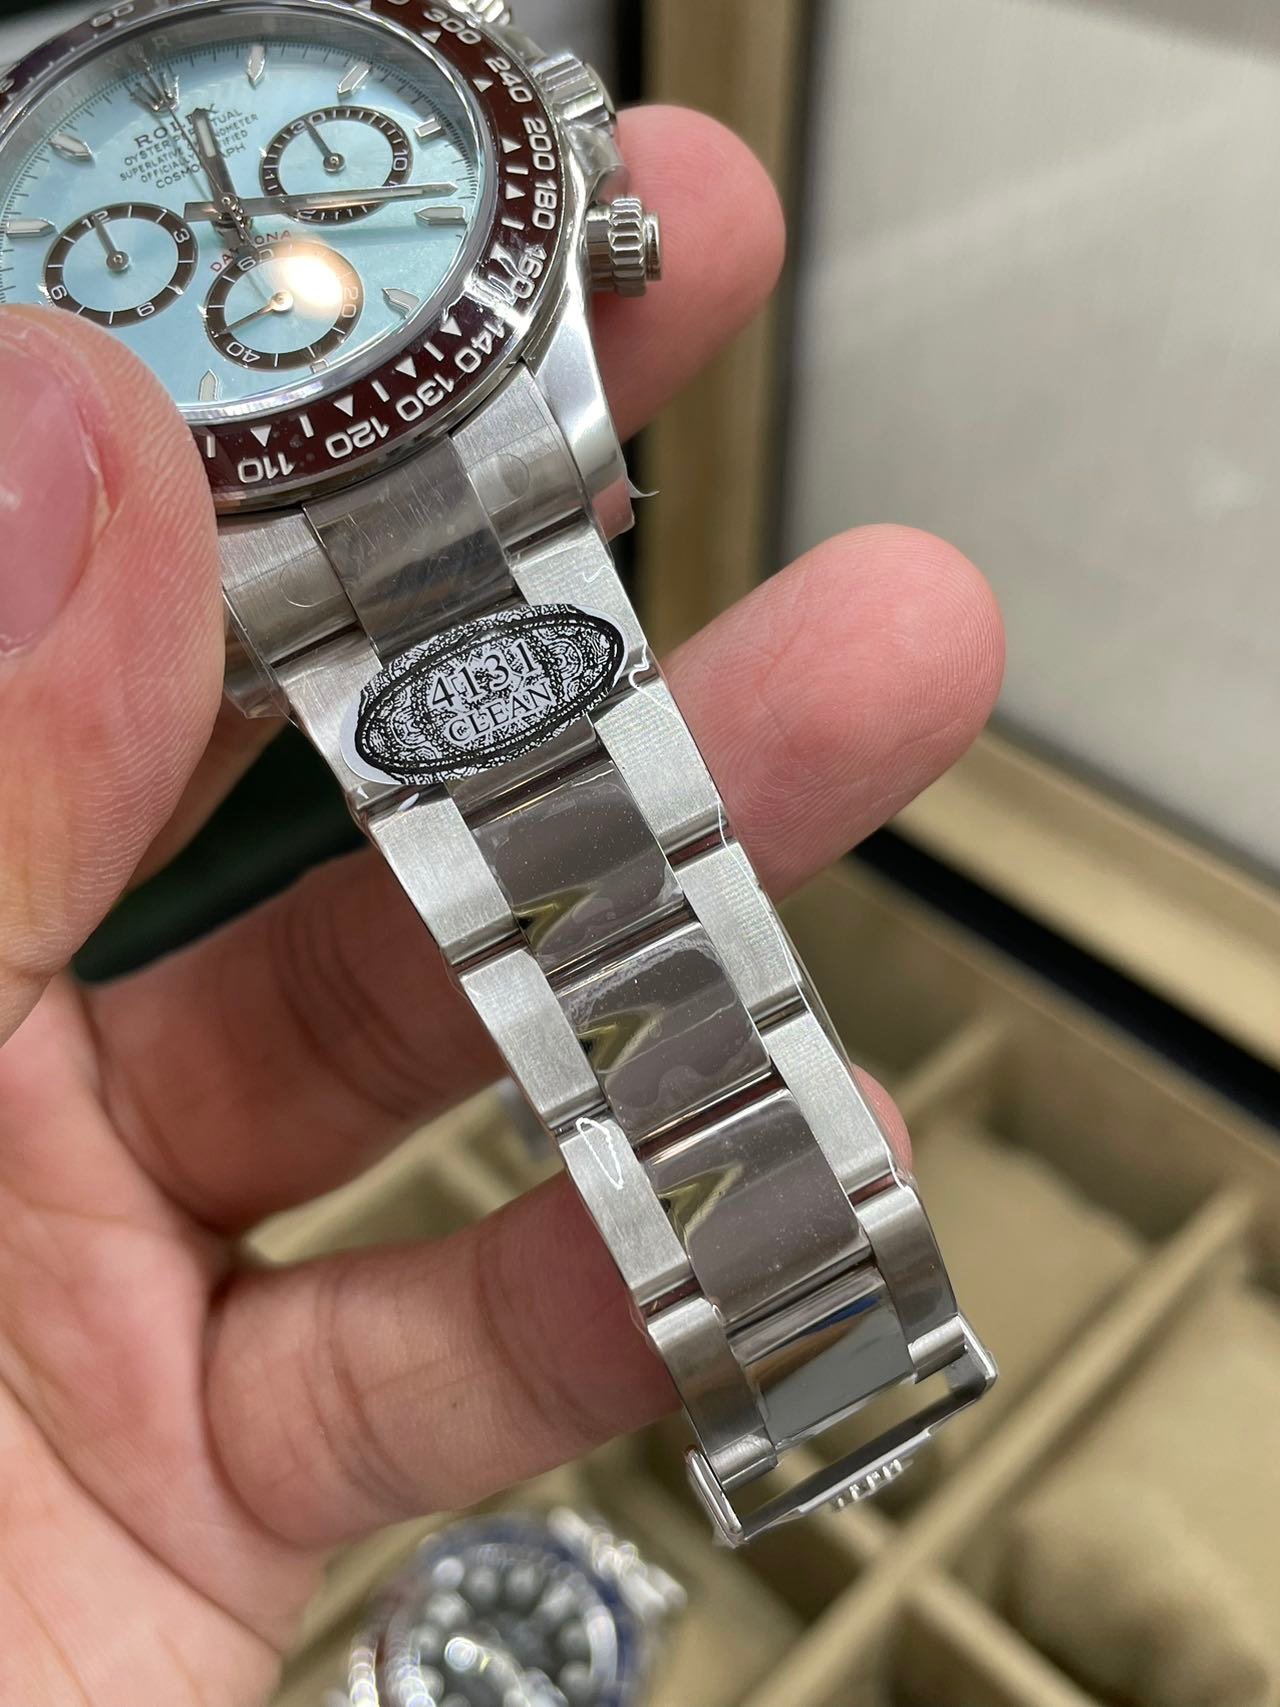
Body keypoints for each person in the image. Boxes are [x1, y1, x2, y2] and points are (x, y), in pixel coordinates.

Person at [0, 109, 1003, 1704]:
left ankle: (851, 1341)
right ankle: (839, 1357)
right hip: (280, 558)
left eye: (299, 152)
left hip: (475, 474)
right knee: (580, 946)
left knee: (672, 903)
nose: (230, 209)